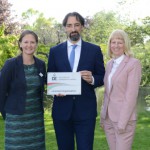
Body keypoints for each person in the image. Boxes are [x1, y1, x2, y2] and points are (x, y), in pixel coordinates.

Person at [47, 12, 105, 150]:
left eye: (76, 25)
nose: (73, 29)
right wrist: (55, 90)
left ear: (82, 27)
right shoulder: (55, 51)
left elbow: (102, 76)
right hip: (61, 110)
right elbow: (50, 76)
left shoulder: (94, 50)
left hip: (85, 111)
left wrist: (91, 79)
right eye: (69, 25)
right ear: (65, 28)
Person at [0, 30, 46, 150]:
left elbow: (45, 88)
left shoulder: (41, 65)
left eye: (32, 42)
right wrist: (7, 114)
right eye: (26, 42)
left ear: (36, 44)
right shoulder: (10, 64)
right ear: (20, 44)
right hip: (15, 121)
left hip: (36, 120)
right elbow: (1, 91)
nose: (29, 45)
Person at [100, 29, 142, 150]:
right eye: (113, 42)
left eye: (120, 42)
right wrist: (103, 117)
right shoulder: (109, 64)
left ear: (125, 44)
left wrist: (122, 122)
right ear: (110, 44)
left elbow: (131, 96)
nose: (116, 45)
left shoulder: (133, 64)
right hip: (108, 119)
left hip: (124, 120)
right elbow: (107, 93)